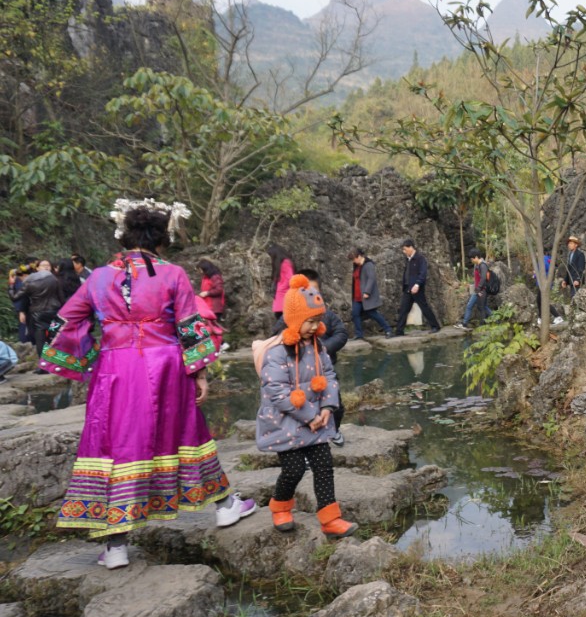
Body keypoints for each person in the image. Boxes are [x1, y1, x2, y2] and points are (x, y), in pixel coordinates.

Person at [40, 199, 255, 569]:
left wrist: (90, 358)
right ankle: (224, 508)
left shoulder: (97, 277)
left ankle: (116, 546)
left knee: (114, 444)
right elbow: (189, 326)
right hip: (166, 366)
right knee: (188, 432)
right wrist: (200, 372)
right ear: (161, 238)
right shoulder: (172, 275)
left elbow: (64, 322)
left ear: (125, 235)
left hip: (116, 370)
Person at [257, 274, 356, 537]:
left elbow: (329, 378)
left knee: (324, 466)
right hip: (286, 423)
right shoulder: (277, 353)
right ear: (294, 320)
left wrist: (327, 409)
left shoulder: (319, 347)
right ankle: (280, 507)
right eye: (309, 321)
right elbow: (277, 392)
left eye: (317, 321)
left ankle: (330, 518)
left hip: (317, 422)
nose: (315, 327)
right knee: (294, 469)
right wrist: (310, 415)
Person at [272, 269, 349, 445]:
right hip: (297, 377)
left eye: (313, 291)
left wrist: (322, 350)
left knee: (335, 404)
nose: (309, 295)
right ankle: (304, 440)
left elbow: (342, 333)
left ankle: (333, 430)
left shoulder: (327, 315)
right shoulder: (288, 318)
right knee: (301, 408)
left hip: (322, 370)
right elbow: (276, 336)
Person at [10, 259, 61, 355]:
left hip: (39, 313)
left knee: (42, 338)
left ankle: (44, 364)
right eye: (43, 265)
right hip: (53, 311)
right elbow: (61, 297)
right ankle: (55, 363)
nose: (46, 267)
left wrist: (11, 285)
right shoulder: (55, 279)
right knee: (52, 336)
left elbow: (15, 297)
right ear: (37, 268)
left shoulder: (30, 282)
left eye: (48, 265)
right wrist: (22, 311)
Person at [393, 239, 441, 335]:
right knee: (403, 309)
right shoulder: (408, 259)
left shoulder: (420, 258)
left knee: (424, 307)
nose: (404, 252)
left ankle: (435, 326)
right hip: (407, 288)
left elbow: (423, 273)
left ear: (411, 247)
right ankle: (399, 331)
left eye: (405, 249)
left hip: (416, 288)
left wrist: (417, 284)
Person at [349, 249, 392, 339]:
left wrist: (367, 291)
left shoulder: (368, 265)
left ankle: (388, 329)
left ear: (359, 257)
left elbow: (371, 279)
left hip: (365, 295)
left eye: (354, 259)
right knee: (355, 313)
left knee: (373, 313)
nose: (353, 261)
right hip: (357, 296)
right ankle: (359, 334)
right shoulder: (356, 266)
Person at [455, 248, 492, 331]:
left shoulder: (483, 265)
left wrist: (478, 289)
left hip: (481, 290)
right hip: (477, 290)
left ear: (476, 257)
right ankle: (465, 323)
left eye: (472, 258)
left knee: (480, 307)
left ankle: (493, 321)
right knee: (478, 306)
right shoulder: (477, 265)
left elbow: (483, 278)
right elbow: (477, 278)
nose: (471, 260)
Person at [267, 244, 295, 320]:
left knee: (282, 319)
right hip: (280, 295)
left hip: (284, 296)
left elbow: (291, 278)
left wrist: (282, 288)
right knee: (279, 317)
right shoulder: (281, 264)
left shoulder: (285, 263)